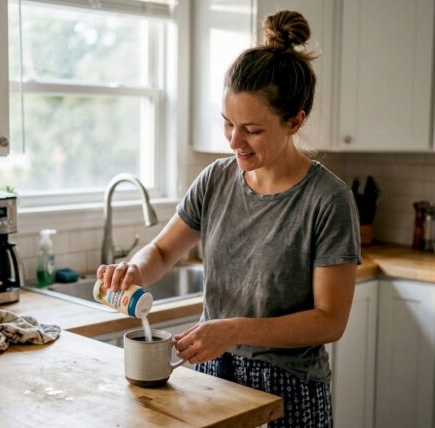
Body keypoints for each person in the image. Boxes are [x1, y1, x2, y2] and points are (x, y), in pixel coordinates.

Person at [96, 10, 360, 428]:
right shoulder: (216, 179)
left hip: (288, 388)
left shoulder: (327, 200)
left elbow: (330, 320)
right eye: (228, 124)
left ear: (295, 120)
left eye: (252, 129)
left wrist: (234, 330)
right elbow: (164, 250)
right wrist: (135, 268)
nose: (235, 141)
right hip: (212, 374)